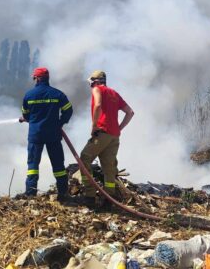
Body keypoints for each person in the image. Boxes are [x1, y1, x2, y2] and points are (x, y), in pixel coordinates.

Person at [79, 70, 134, 207]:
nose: (90, 86)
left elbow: (97, 105)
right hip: (114, 136)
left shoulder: (97, 89)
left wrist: (94, 126)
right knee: (109, 167)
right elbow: (130, 112)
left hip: (102, 133)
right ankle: (109, 199)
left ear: (95, 81)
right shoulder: (114, 93)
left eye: (91, 83)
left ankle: (89, 196)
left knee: (84, 158)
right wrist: (119, 128)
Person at [19, 67, 73, 201]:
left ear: (37, 79)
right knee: (58, 165)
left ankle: (31, 195)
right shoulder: (57, 94)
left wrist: (29, 119)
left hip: (35, 135)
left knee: (33, 166)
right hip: (53, 135)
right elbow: (68, 110)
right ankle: (63, 194)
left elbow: (25, 114)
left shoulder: (29, 95)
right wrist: (60, 123)